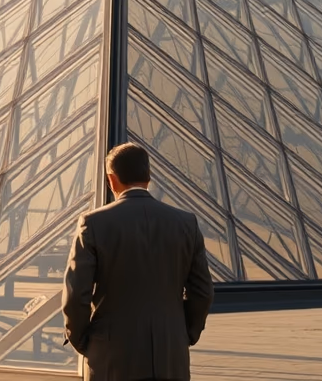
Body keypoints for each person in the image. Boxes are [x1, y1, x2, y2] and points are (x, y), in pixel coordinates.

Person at [63, 142, 214, 381]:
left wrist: (85, 341)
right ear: (148, 176)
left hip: (112, 355)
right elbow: (203, 292)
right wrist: (183, 333)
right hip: (171, 353)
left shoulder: (93, 224)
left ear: (111, 180)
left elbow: (75, 297)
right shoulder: (186, 223)